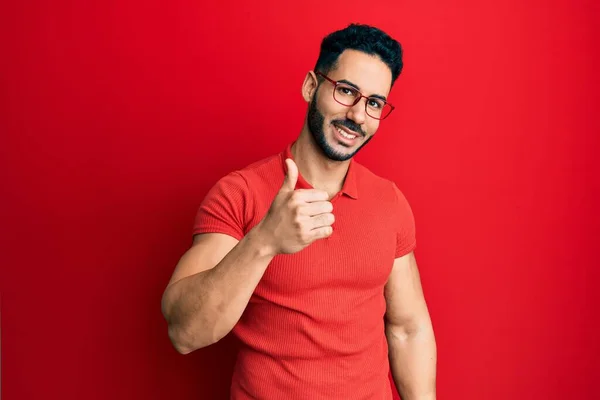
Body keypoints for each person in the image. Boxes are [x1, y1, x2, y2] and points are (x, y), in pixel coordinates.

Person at [161, 23, 437, 400]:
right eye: (346, 91)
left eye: (373, 102)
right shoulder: (239, 193)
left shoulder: (388, 201)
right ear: (311, 86)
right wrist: (265, 241)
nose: (357, 114)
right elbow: (184, 332)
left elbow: (408, 328)